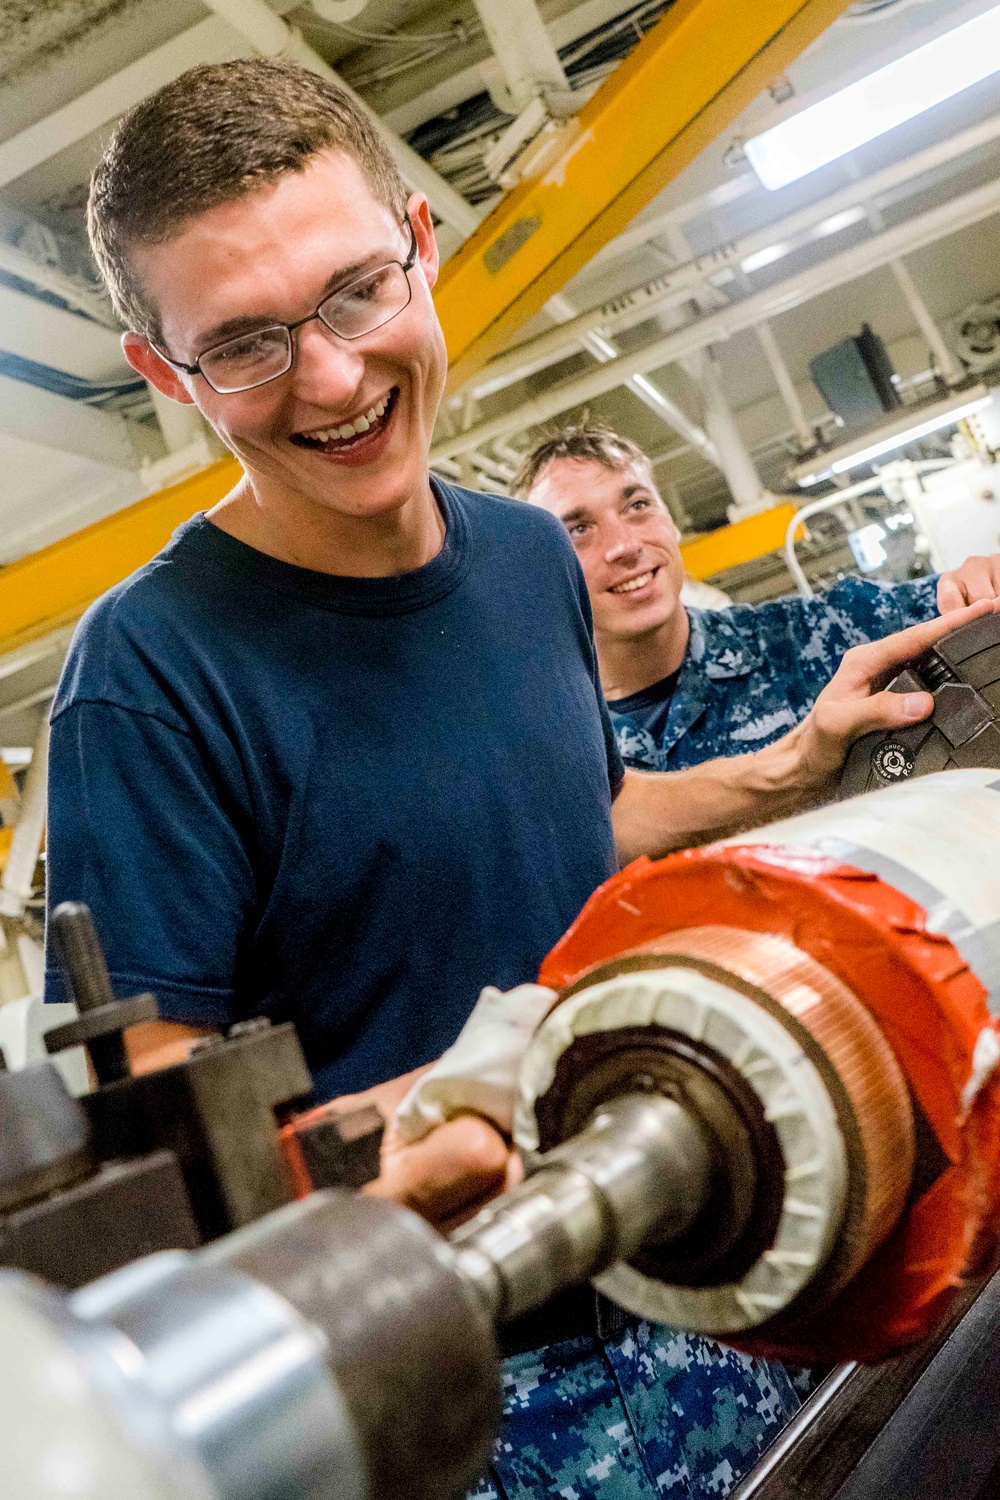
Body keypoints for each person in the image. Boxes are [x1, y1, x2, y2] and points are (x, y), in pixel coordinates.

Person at [42, 60, 995, 1500]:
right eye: (242, 343)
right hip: (475, 1374)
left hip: (729, 1255)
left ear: (421, 242)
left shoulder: (526, 557)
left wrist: (792, 765)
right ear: (162, 374)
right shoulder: (151, 678)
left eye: (358, 291)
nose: (334, 377)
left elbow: (587, 816)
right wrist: (448, 1133)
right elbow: (169, 1166)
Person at [515, 421, 1000, 773]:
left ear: (671, 521)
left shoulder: (818, 637)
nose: (624, 546)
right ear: (539, 571)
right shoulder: (545, 744)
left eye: (638, 505)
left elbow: (958, 608)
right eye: (578, 529)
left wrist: (979, 583)